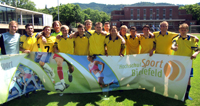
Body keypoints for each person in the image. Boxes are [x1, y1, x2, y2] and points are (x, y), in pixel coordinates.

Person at [171, 23, 200, 100]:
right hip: (177, 62)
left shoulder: (191, 40)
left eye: (185, 30)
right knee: (176, 77)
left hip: (187, 63)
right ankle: (176, 93)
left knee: (188, 79)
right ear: (179, 30)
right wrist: (174, 48)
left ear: (187, 30)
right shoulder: (176, 38)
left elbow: (198, 49)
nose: (183, 31)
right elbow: (173, 44)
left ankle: (186, 95)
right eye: (182, 30)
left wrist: (195, 54)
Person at [53, 25, 74, 95]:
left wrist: (74, 34)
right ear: (61, 31)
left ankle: (69, 72)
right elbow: (55, 46)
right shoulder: (58, 38)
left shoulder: (72, 37)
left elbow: (78, 33)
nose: (64, 32)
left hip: (69, 55)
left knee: (72, 69)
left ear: (68, 31)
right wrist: (56, 51)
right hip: (60, 54)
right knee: (59, 63)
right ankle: (63, 84)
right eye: (63, 30)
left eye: (66, 30)